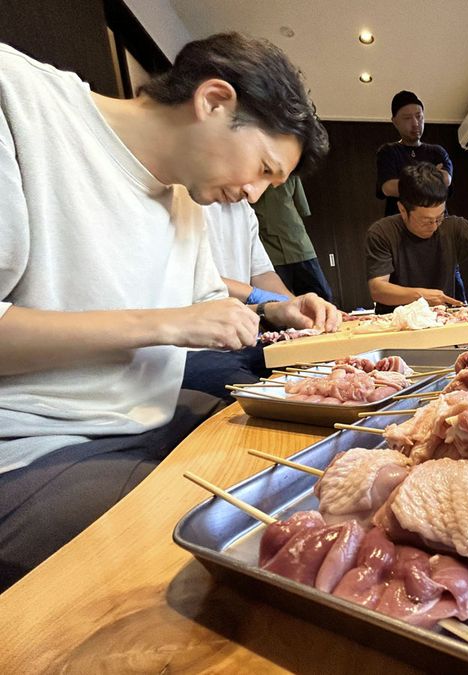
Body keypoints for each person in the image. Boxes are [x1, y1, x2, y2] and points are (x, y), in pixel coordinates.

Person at [0, 32, 330, 588]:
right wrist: (168, 323)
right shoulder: (21, 102)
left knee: (307, 468)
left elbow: (203, 302)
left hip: (147, 420)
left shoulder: (184, 193)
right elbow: (181, 317)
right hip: (36, 446)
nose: (253, 195)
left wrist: (275, 311)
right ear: (214, 102)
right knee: (226, 560)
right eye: (264, 169)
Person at [183, 201, 341, 399]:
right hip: (191, 349)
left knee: (331, 372)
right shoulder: (182, 200)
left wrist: (294, 305)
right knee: (276, 400)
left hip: (244, 338)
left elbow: (262, 273)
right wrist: (258, 297)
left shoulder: (241, 205)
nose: (256, 194)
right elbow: (193, 277)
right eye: (265, 170)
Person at [366, 163, 468, 312]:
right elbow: (378, 289)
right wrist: (420, 296)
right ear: (402, 210)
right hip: (395, 324)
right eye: (426, 221)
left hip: (442, 320)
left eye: (439, 217)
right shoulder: (382, 232)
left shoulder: (452, 226)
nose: (434, 226)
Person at [251, 174, 334, 301]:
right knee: (278, 301)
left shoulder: (291, 174)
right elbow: (303, 208)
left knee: (320, 297)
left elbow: (303, 208)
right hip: (278, 243)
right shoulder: (288, 173)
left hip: (295, 243)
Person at [375, 90, 453, 217]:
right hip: (400, 227)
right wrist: (432, 178)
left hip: (437, 225)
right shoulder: (388, 152)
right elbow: (389, 187)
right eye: (407, 118)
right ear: (395, 122)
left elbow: (445, 179)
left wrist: (405, 184)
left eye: (419, 116)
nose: (415, 123)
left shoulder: (437, 151)